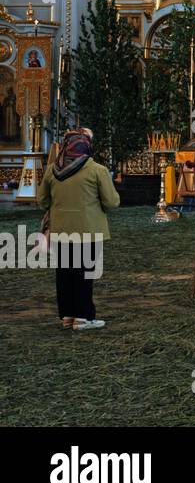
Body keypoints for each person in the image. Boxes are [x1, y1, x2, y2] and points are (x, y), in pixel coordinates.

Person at [37, 129, 119, 331]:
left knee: (64, 274)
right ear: (87, 146)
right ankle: (83, 318)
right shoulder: (97, 170)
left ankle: (67, 315)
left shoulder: (51, 171)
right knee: (84, 274)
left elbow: (42, 201)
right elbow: (111, 202)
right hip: (88, 230)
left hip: (60, 230)